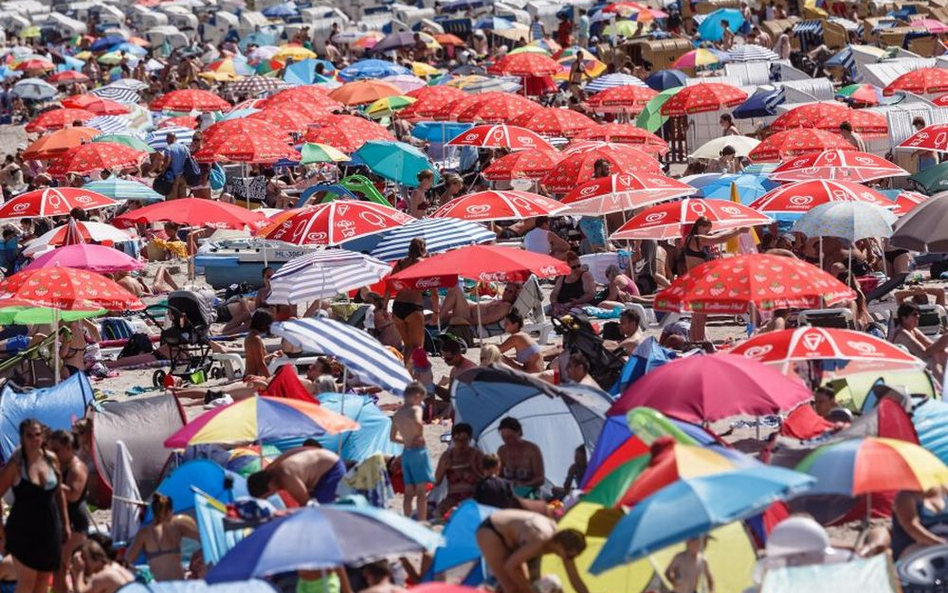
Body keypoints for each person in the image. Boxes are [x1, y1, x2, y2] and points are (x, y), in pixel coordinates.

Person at [0, 419, 69, 593]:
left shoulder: (51, 459)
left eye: (37, 435)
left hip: (50, 529)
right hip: (23, 531)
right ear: (22, 437)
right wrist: (1, 531)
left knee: (43, 584)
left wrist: (65, 523)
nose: (34, 439)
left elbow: (59, 491)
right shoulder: (16, 464)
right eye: (29, 435)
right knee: (26, 584)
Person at [475, 509, 589, 593]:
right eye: (569, 556)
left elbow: (575, 580)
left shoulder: (562, 545)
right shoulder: (541, 539)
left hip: (513, 536)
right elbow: (509, 566)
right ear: (561, 545)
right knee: (511, 588)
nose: (569, 559)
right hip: (492, 532)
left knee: (522, 585)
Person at [679, 217, 747, 342]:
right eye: (707, 230)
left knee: (697, 317)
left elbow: (718, 235)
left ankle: (694, 343)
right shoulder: (696, 239)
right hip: (697, 283)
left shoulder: (694, 239)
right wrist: (738, 231)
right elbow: (719, 238)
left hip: (696, 282)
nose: (708, 233)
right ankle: (698, 344)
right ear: (700, 227)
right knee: (700, 317)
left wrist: (733, 230)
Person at [48, 430, 88, 593]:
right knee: (61, 568)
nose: (53, 454)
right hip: (64, 523)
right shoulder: (61, 466)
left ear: (69, 447)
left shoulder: (77, 468)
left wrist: (52, 481)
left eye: (56, 450)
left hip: (75, 525)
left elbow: (73, 494)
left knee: (63, 567)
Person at [386, 238, 438, 362]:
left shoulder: (400, 263)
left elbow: (389, 286)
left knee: (408, 346)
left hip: (398, 306)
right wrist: (436, 312)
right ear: (423, 249)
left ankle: (407, 374)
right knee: (417, 348)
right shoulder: (424, 264)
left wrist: (384, 306)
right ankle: (415, 375)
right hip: (414, 307)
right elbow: (434, 292)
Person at [125, 494, 198, 581]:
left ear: (153, 512)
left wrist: (141, 573)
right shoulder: (179, 524)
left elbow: (127, 560)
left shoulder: (144, 533)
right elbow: (204, 540)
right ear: (171, 510)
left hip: (160, 586)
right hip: (179, 584)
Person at [390, 382, 434, 521]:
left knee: (408, 492)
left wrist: (407, 441)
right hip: (418, 451)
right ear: (417, 396)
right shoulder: (416, 409)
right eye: (421, 399)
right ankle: (421, 521)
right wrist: (419, 436)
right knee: (421, 492)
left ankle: (407, 519)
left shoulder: (397, 414)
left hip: (406, 453)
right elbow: (418, 422)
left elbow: (392, 437)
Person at [247, 447, 346, 505]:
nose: (272, 495)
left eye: (267, 497)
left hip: (331, 469)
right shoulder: (271, 469)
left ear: (269, 487)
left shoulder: (286, 477)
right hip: (324, 459)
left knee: (323, 511)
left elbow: (307, 504)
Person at [434, 422, 484, 516]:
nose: (461, 443)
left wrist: (474, 469)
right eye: (457, 440)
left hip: (473, 496)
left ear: (470, 439)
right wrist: (443, 469)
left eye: (464, 440)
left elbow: (486, 477)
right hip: (452, 497)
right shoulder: (447, 456)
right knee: (438, 514)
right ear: (453, 439)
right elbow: (436, 481)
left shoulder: (476, 455)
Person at [889, 302, 948, 380]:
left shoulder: (912, 329)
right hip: (901, 368)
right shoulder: (902, 333)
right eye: (914, 314)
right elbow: (924, 353)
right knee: (935, 358)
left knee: (941, 353)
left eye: (918, 314)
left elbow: (929, 344)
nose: (918, 316)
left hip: (912, 362)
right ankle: (943, 386)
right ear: (904, 318)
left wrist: (943, 342)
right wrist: (943, 341)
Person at [497, 416, 545, 497]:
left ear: (519, 432)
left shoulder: (532, 449)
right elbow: (498, 475)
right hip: (508, 491)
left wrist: (524, 485)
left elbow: (540, 478)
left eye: (510, 437)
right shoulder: (502, 451)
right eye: (504, 438)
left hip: (529, 491)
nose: (507, 441)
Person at [69, 540, 134, 593]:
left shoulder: (103, 576)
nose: (82, 564)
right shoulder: (115, 566)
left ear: (96, 558)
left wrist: (78, 572)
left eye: (84, 559)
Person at [244, 309, 278, 378]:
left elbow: (256, 359)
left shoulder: (250, 336)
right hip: (253, 377)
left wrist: (272, 355)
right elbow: (260, 364)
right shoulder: (256, 339)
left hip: (250, 375)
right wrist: (269, 380)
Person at [161, 132, 191, 199]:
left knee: (172, 201)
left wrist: (163, 169)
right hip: (183, 177)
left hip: (173, 177)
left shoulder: (168, 148)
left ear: (167, 139)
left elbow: (167, 162)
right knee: (183, 200)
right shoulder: (184, 147)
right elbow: (189, 159)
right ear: (176, 138)